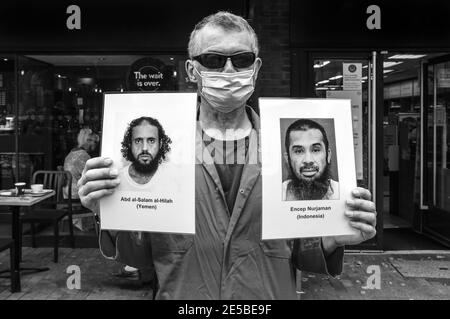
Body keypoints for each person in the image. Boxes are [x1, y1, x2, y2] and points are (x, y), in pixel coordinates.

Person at [77, 11, 377, 300]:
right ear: (192, 70)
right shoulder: (165, 154)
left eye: (242, 60)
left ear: (256, 68)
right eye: (214, 60)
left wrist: (334, 236)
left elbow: (302, 253)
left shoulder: (284, 149)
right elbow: (138, 255)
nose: (230, 71)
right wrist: (110, 212)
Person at [282, 119, 339, 201]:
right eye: (298, 151)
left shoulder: (345, 194)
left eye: (316, 150)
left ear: (328, 155)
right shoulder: (275, 196)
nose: (308, 160)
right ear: (288, 159)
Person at [117, 116, 172, 190]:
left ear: (160, 144)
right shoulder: (117, 180)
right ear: (130, 144)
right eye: (138, 141)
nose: (144, 148)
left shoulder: (173, 179)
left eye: (151, 141)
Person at [63, 127, 97, 199]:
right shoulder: (83, 155)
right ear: (88, 141)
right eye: (95, 142)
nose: (95, 145)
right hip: (76, 193)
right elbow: (90, 176)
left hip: (67, 191)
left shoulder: (72, 152)